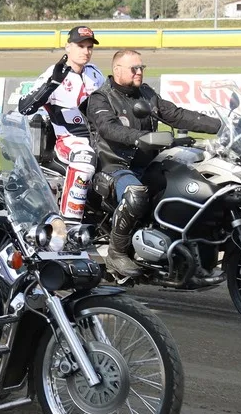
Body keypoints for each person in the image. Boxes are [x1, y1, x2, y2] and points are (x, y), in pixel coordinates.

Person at [86, 49, 222, 278]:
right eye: (134, 68)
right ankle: (116, 254)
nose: (139, 72)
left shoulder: (146, 93)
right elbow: (108, 128)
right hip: (115, 166)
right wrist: (140, 138)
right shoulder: (101, 98)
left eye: (142, 68)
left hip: (148, 164)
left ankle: (184, 252)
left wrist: (220, 125)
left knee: (191, 187)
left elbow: (176, 115)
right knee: (136, 194)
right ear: (117, 69)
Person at [17, 25, 105, 229]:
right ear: (68, 47)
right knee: (85, 158)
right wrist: (51, 85)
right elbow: (24, 107)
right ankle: (69, 225)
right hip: (68, 139)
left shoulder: (95, 73)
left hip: (100, 138)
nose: (86, 51)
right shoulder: (54, 72)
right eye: (81, 46)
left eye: (90, 47)